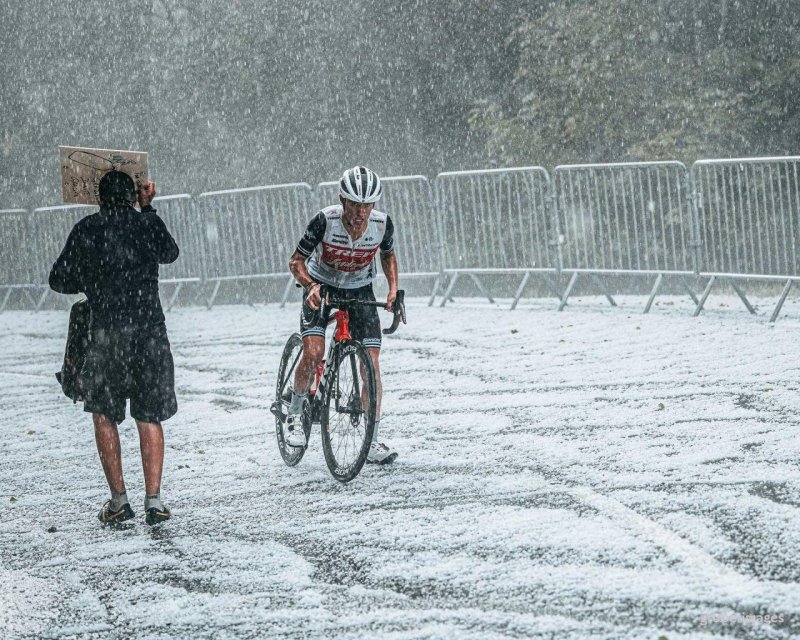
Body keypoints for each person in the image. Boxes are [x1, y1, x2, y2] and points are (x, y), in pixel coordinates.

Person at [49, 170, 179, 525]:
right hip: (150, 332)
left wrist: (91, 278)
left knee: (105, 414)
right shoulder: (145, 225)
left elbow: (58, 279)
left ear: (100, 198)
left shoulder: (88, 228)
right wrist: (148, 210)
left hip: (106, 335)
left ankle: (119, 500)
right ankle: (154, 500)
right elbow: (170, 253)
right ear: (133, 197)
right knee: (149, 414)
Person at [286, 166, 399, 464]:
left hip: (360, 289)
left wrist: (392, 290)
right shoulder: (325, 220)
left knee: (371, 364)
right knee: (313, 352)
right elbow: (296, 260)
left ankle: (371, 440)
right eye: (354, 204)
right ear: (342, 199)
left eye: (367, 205)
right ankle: (295, 414)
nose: (360, 212)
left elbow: (387, 254)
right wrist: (310, 285)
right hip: (321, 286)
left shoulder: (382, 224)